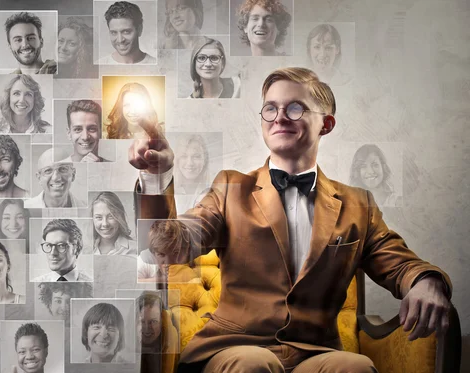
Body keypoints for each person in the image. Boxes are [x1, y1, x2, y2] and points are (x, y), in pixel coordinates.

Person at [128, 67, 452, 372]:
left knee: (355, 367)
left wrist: (426, 282)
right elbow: (167, 247)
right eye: (270, 108)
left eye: (295, 108)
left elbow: (398, 263)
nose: (280, 117)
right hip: (235, 347)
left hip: (316, 350)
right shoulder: (230, 188)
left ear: (326, 123)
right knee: (253, 364)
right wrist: (156, 178)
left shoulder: (357, 204)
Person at [91, 191, 136, 255]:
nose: (105, 224)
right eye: (99, 217)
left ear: (120, 217)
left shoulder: (135, 250)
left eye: (111, 217)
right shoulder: (85, 251)